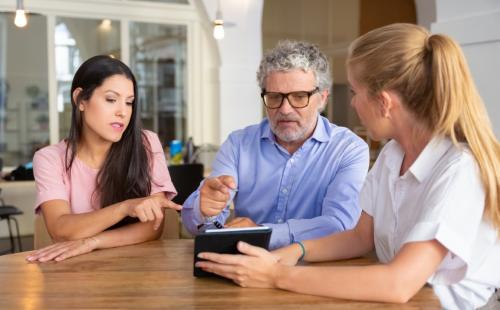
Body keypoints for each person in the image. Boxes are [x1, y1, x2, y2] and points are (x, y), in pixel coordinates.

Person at [194, 23, 500, 309]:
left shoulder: (459, 168)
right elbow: (359, 236)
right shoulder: (393, 155)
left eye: (355, 93)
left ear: (384, 102)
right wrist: (291, 253)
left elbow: (399, 283)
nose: (352, 104)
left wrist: (274, 276)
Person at [181, 41, 369, 249]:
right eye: (275, 97)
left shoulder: (348, 149)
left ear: (322, 99)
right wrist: (204, 210)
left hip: (317, 270)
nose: (285, 109)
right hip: (245, 267)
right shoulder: (238, 144)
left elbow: (340, 225)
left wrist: (261, 232)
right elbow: (196, 226)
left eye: (299, 97)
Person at [26, 55, 181, 262]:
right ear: (80, 99)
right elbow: (61, 230)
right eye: (111, 99)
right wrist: (125, 207)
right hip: (77, 275)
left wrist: (92, 242)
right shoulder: (49, 158)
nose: (123, 112)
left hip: (140, 270)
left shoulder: (146, 143)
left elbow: (153, 227)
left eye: (129, 102)